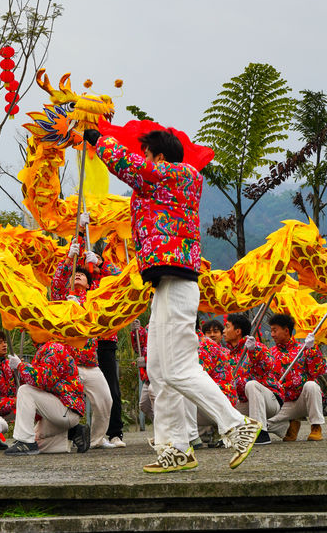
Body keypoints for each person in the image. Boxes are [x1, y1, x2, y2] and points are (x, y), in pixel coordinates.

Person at [84, 126, 261, 473]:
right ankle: (175, 447)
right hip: (165, 283)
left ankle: (237, 425)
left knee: (178, 369)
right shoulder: (159, 184)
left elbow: (129, 166)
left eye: (148, 153)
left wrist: (99, 139)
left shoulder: (180, 175)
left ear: (160, 157)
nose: (144, 159)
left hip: (179, 282)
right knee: (158, 371)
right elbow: (138, 177)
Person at [51, 242, 113, 449]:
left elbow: (115, 280)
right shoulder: (61, 298)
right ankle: (63, 441)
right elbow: (57, 282)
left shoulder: (94, 300)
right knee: (65, 405)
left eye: (82, 275)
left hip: (90, 363)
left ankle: (95, 440)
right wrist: (69, 258)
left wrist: (100, 264)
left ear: (89, 284)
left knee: (105, 401)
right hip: (68, 365)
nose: (77, 276)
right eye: (74, 275)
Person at [5, 341, 89, 455]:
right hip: (58, 412)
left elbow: (44, 379)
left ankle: (26, 441)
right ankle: (74, 432)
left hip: (65, 409)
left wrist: (21, 366)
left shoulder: (53, 348)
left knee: (25, 391)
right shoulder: (44, 349)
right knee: (39, 444)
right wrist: (20, 369)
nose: (30, 332)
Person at [88, 239, 126, 447]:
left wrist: (101, 265)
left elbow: (121, 280)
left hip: (105, 339)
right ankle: (84, 434)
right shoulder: (78, 276)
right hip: (81, 342)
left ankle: (115, 432)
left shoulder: (105, 280)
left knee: (111, 388)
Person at [223, 313, 282, 445]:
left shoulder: (256, 347)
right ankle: (278, 426)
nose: (223, 331)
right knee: (221, 408)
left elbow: (269, 366)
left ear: (238, 331)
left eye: (227, 327)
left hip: (269, 401)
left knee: (251, 385)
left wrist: (254, 351)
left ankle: (261, 433)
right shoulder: (226, 355)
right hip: (245, 403)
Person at [267, 313, 326, 441]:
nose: (272, 334)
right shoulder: (270, 353)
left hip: (303, 401)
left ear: (286, 330)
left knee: (312, 386)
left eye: (274, 330)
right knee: (262, 424)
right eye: (271, 330)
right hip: (284, 405)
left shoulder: (303, 348)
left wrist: (312, 350)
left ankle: (316, 426)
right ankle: (290, 424)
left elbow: (318, 371)